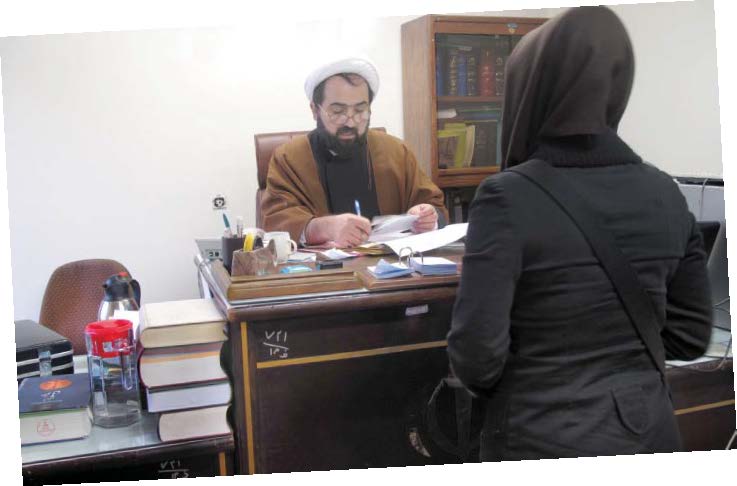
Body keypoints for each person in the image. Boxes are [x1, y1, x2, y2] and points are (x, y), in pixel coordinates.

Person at [447, 6, 713, 461]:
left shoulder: (505, 196)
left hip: (538, 437)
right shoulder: (666, 192)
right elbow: (690, 338)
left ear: (530, 90)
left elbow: (476, 359)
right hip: (648, 434)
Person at [262, 57, 447, 248]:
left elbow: (434, 205)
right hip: (324, 267)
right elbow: (277, 221)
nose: (350, 122)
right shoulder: (289, 159)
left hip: (393, 264)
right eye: (337, 111)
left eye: (360, 110)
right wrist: (323, 227)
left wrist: (427, 216)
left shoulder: (396, 152)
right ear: (315, 110)